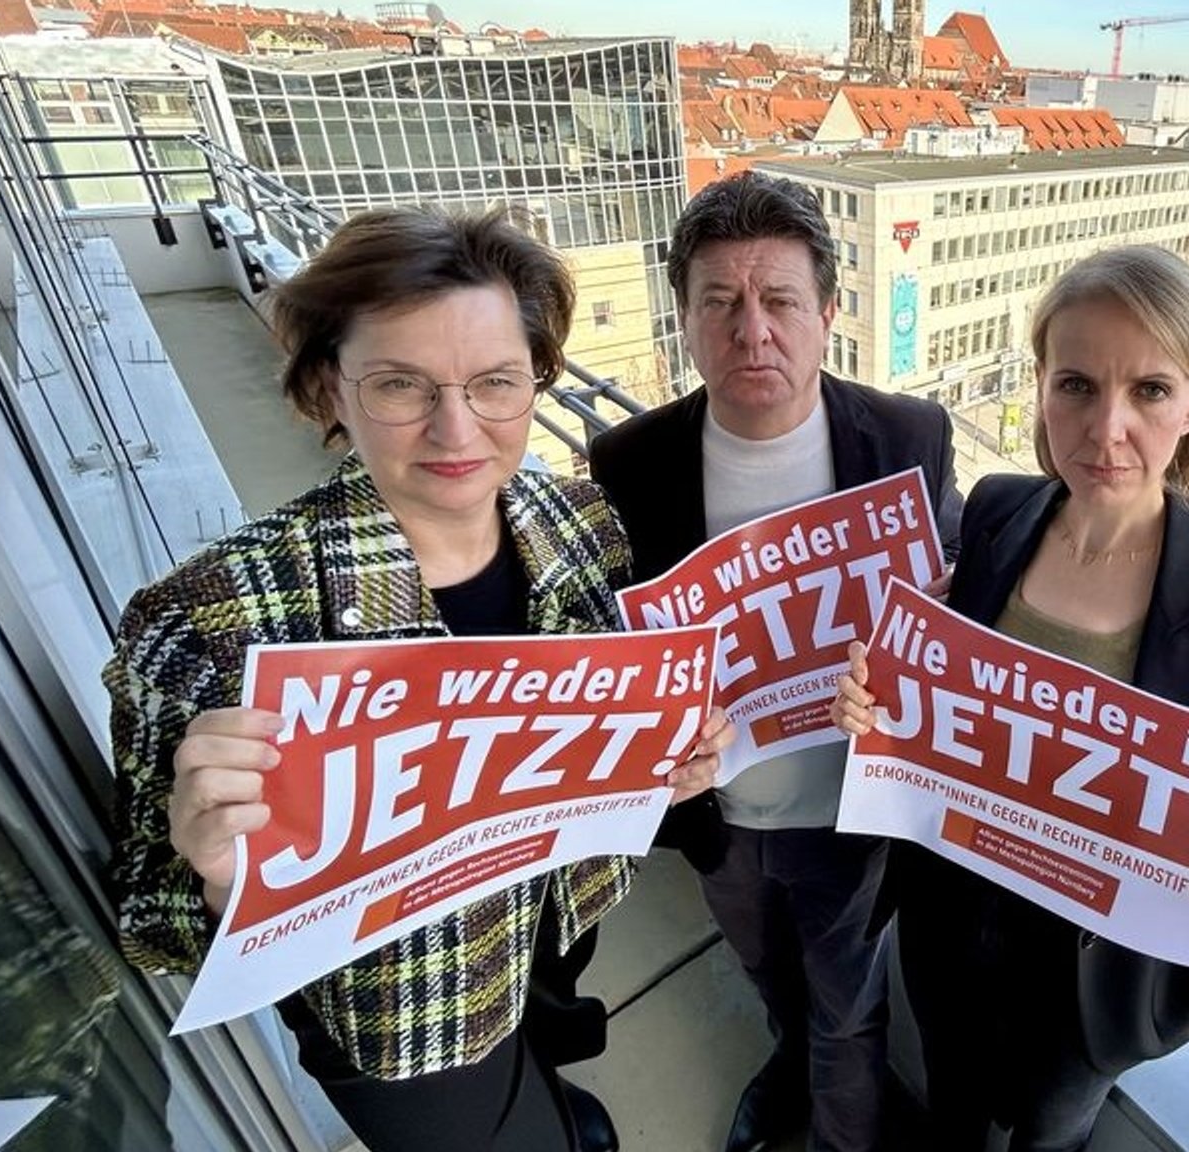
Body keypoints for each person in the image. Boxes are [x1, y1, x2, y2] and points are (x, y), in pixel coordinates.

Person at [106, 206, 733, 1152]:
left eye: (495, 384)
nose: (456, 429)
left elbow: (602, 725)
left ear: (534, 384)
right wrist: (221, 879)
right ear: (330, 388)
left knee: (559, 1067)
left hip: (563, 912)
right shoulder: (204, 625)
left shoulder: (574, 519)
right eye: (402, 385)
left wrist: (665, 763)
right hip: (412, 1014)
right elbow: (153, 926)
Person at [830, 246, 1189, 1150]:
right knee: (951, 1108)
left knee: (1052, 1136)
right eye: (1076, 385)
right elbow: (936, 698)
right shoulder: (994, 512)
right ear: (1041, 385)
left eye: (1148, 389)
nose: (1106, 430)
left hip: (1094, 979)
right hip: (950, 922)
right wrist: (876, 702)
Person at [587, 171, 961, 1152]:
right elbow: (612, 644)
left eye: (780, 301)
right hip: (720, 817)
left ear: (828, 314)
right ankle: (784, 1068)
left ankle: (840, 1134)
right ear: (686, 320)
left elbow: (950, 604)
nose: (752, 329)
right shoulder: (628, 462)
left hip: (850, 813)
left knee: (848, 1010)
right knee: (768, 977)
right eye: (720, 302)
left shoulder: (908, 438)